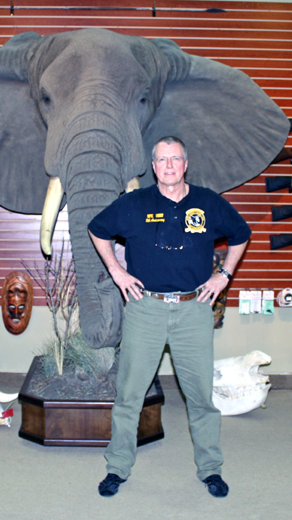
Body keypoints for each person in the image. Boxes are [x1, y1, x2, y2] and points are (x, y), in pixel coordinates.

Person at [88, 136, 251, 498]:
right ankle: (117, 467)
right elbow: (97, 229)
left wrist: (223, 275)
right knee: (129, 394)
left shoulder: (208, 202)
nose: (169, 166)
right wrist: (117, 271)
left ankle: (210, 469)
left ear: (185, 164)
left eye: (175, 159)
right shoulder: (134, 204)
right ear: (153, 166)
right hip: (146, 309)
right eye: (162, 160)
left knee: (201, 399)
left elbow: (241, 233)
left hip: (194, 310)